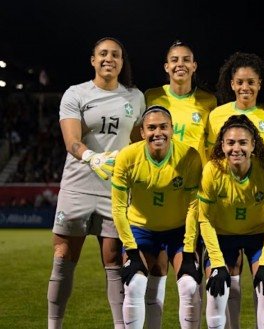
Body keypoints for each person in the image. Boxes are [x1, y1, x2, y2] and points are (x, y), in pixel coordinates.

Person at [47, 37, 145, 329]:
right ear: (93, 60)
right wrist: (92, 157)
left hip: (115, 191)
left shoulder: (135, 97)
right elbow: (71, 140)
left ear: (122, 62)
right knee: (63, 256)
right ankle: (54, 325)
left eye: (116, 55)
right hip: (77, 186)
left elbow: (138, 143)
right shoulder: (75, 93)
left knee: (114, 260)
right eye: (103, 54)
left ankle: (120, 325)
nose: (109, 59)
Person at [205, 51, 264, 329]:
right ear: (231, 84)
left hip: (259, 214)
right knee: (226, 286)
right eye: (239, 82)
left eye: (251, 82)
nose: (245, 87)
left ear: (260, 84)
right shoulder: (216, 116)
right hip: (225, 214)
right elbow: (211, 157)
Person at [144, 39, 216, 328]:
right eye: (174, 60)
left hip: (194, 196)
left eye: (186, 59)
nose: (180, 64)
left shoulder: (209, 102)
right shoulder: (151, 96)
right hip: (157, 193)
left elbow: (212, 149)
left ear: (194, 66)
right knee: (156, 267)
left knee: (192, 270)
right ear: (166, 66)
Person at [186, 114, 264, 329]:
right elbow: (205, 219)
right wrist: (217, 262)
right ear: (222, 145)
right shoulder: (213, 170)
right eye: (230, 143)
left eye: (242, 142)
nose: (236, 148)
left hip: (258, 237)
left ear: (253, 145)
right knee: (216, 291)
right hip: (221, 236)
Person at [111, 105, 203, 329]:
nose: (157, 132)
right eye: (151, 128)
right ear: (142, 132)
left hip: (178, 231)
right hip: (142, 229)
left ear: (172, 130)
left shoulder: (189, 157)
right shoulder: (127, 157)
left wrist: (189, 251)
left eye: (163, 127)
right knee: (135, 284)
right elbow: (118, 207)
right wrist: (131, 251)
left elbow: (194, 206)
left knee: (190, 286)